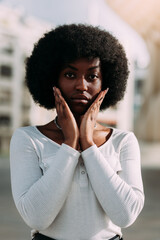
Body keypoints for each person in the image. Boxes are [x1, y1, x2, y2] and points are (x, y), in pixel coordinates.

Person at [10, 24, 144, 240]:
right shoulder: (28, 139)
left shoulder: (123, 141)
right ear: (53, 80)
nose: (82, 85)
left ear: (105, 83)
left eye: (92, 77)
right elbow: (36, 218)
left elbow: (126, 216)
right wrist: (70, 144)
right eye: (70, 74)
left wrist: (88, 145)